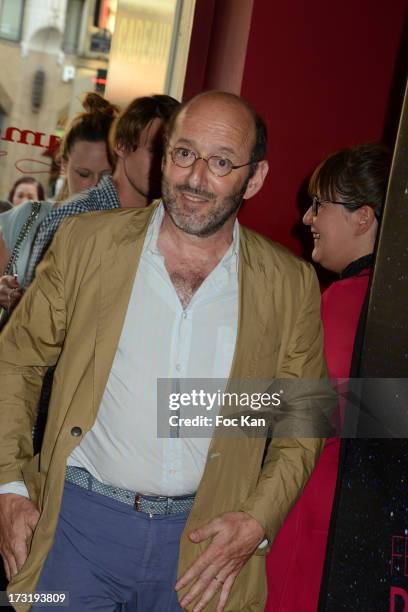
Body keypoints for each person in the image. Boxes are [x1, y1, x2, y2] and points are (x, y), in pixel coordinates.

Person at [0, 91, 332, 612]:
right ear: (162, 158)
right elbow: (16, 358)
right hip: (76, 531)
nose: (196, 177)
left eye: (221, 162)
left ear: (256, 177)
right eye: (183, 153)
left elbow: (304, 415)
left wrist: (258, 521)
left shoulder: (288, 284)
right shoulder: (87, 244)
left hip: (203, 549)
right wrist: (9, 483)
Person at [265, 142, 391, 612]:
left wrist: (180, 408)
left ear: (363, 217)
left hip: (317, 529)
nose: (307, 219)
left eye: (320, 204)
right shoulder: (385, 304)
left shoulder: (346, 301)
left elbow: (307, 415)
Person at [23, 93, 180, 287]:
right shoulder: (78, 215)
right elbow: (39, 311)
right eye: (155, 151)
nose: (166, 165)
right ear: (121, 146)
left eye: (178, 154)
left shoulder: (169, 222)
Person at [0, 92, 118, 316]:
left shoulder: (125, 234)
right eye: (83, 174)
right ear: (63, 164)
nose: (94, 186)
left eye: (106, 176)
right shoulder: (28, 216)